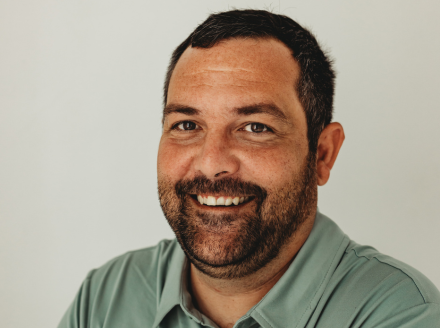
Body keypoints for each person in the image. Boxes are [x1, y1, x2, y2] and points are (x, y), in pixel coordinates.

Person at [58, 9, 440, 328]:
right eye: (187, 125)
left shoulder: (402, 314)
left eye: (256, 127)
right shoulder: (106, 297)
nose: (211, 162)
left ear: (322, 154)